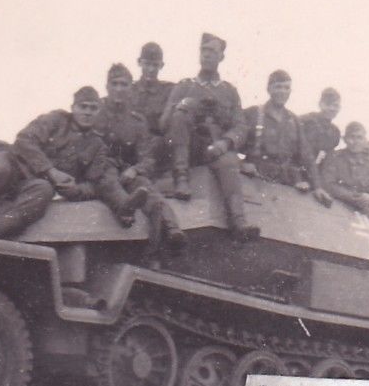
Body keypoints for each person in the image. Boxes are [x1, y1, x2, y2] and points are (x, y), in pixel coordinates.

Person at [0, 86, 148, 238]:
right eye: (83, 106)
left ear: (98, 111)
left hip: (33, 184)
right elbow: (24, 140)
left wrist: (73, 190)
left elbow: (96, 182)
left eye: (93, 108)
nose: (87, 112)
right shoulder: (55, 120)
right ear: (73, 107)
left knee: (42, 193)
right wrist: (52, 171)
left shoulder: (96, 145)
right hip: (15, 164)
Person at [160, 33, 259, 241]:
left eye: (212, 51)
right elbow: (164, 124)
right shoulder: (185, 86)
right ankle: (182, 180)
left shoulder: (229, 91)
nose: (206, 55)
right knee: (181, 114)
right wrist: (183, 105)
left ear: (221, 57)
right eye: (203, 50)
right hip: (188, 149)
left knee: (230, 161)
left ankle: (238, 222)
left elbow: (241, 125)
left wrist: (226, 143)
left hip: (215, 148)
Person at [96, 63, 186, 266]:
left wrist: (135, 169)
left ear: (130, 88)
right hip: (100, 171)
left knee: (150, 196)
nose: (119, 89)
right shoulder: (96, 112)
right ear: (107, 86)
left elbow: (148, 158)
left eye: (124, 84)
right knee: (108, 177)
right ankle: (125, 207)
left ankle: (153, 253)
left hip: (127, 173)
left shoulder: (137, 121)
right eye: (115, 84)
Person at [241, 69, 332, 206]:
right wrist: (241, 164)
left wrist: (317, 186)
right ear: (269, 89)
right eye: (278, 87)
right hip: (256, 179)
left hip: (287, 182)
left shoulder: (294, 121)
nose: (283, 92)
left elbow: (307, 156)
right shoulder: (253, 114)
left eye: (287, 88)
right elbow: (233, 142)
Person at [321, 121, 369, 213]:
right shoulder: (334, 157)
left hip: (358, 211)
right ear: (345, 139)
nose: (355, 142)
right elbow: (328, 184)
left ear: (365, 140)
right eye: (352, 137)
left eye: (359, 138)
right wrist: (355, 198)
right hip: (336, 207)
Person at [130, 42, 174, 137]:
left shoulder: (168, 91)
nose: (151, 69)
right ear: (139, 62)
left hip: (157, 143)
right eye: (147, 64)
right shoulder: (129, 89)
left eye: (155, 65)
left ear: (161, 65)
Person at [300, 87, 342, 167]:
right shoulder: (305, 121)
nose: (332, 108)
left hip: (317, 171)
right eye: (328, 104)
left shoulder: (335, 132)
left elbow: (327, 157)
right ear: (320, 104)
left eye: (336, 105)